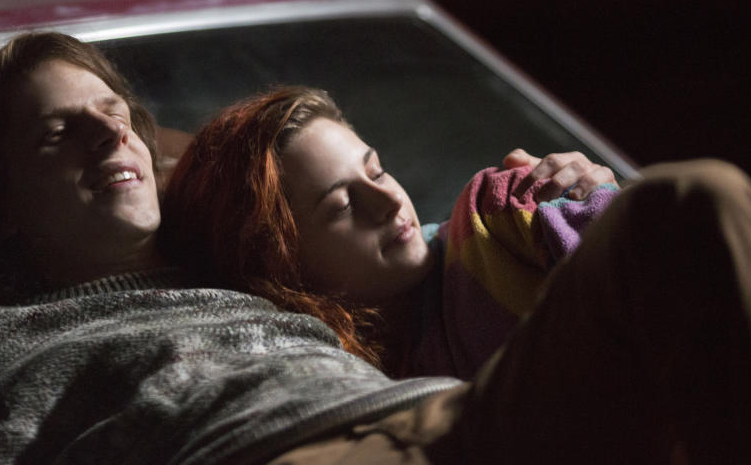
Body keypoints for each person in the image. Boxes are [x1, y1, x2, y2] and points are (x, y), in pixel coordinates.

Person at [0, 32, 751, 465]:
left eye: (112, 112)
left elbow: (414, 250)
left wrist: (563, 193)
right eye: (58, 130)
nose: (108, 131)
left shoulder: (241, 266)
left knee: (688, 200)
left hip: (455, 420)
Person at [160, 87, 621, 378]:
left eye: (377, 173)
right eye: (342, 205)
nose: (389, 203)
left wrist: (605, 206)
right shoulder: (332, 375)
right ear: (281, 264)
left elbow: (656, 281)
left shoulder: (493, 218)